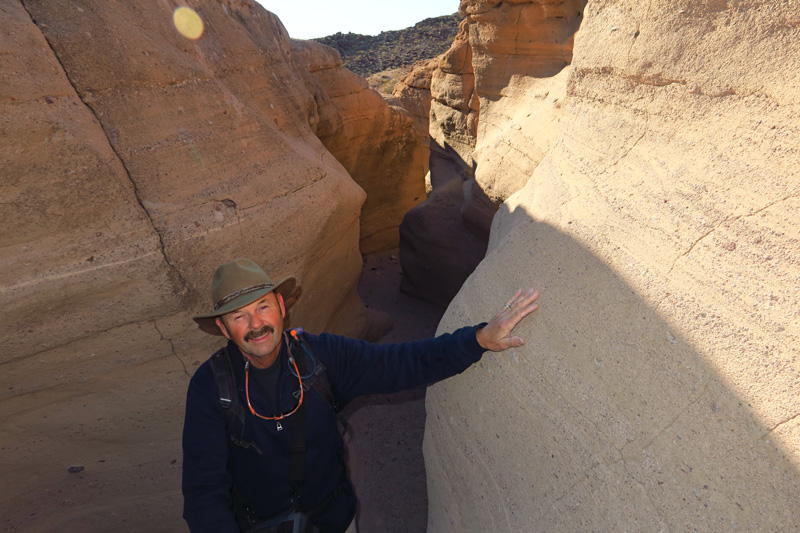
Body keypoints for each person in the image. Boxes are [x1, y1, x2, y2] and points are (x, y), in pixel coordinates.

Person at [182, 258, 540, 533]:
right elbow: (204, 488)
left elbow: (404, 362)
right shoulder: (211, 387)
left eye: (262, 307)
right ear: (223, 329)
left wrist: (478, 340)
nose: (256, 324)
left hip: (334, 521)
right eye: (239, 316)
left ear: (280, 305)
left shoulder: (323, 357)